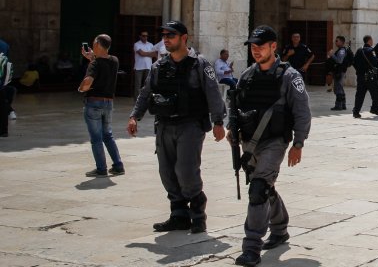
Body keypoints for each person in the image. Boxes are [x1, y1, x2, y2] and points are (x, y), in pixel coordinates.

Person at [127, 20, 226, 234]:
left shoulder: (200, 64)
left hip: (190, 125)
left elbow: (213, 93)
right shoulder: (159, 66)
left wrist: (219, 121)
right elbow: (146, 93)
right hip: (164, 125)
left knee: (186, 171)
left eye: (170, 35)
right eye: (164, 36)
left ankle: (198, 214)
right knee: (167, 172)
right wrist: (135, 116)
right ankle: (179, 216)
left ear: (184, 38)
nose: (166, 39)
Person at [229, 25, 312, 267]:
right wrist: (231, 130)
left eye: (260, 46)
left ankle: (251, 247)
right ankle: (280, 228)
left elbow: (302, 112)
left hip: (275, 140)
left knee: (258, 190)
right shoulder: (247, 75)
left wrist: (298, 143)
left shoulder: (290, 76)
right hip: (249, 142)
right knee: (266, 189)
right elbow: (236, 107)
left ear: (273, 47)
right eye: (253, 47)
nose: (256, 51)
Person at [78, 34, 125, 176]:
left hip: (94, 103)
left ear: (98, 44)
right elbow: (103, 64)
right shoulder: (114, 60)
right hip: (108, 103)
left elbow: (88, 81)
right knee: (107, 135)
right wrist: (92, 57)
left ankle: (101, 168)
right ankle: (118, 165)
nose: (92, 46)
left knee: (96, 138)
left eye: (94, 43)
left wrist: (81, 89)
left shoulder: (95, 64)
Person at [352, 35, 378, 118]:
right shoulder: (370, 50)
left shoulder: (359, 50)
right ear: (369, 40)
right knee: (376, 92)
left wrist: (359, 70)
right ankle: (374, 108)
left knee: (359, 95)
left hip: (360, 76)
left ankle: (356, 111)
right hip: (370, 77)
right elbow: (374, 62)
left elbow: (354, 62)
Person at [328, 36, 348, 111]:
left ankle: (338, 105)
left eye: (337, 41)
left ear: (342, 42)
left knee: (338, 88)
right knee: (340, 88)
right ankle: (343, 105)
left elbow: (339, 61)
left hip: (339, 72)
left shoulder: (342, 51)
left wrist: (331, 55)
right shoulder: (340, 50)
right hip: (339, 71)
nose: (335, 42)